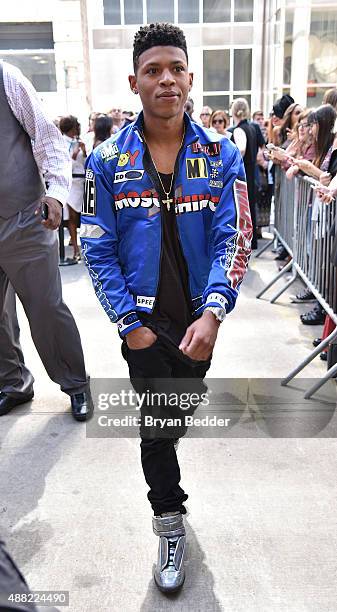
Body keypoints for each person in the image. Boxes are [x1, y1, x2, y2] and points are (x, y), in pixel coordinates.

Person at [81, 22, 252, 593]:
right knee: (156, 428)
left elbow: (235, 235)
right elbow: (96, 245)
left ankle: (167, 471)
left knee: (178, 412)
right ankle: (169, 522)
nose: (166, 80)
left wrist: (214, 312)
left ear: (190, 78)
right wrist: (129, 324)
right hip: (145, 324)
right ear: (135, 82)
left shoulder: (222, 155)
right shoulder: (107, 161)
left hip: (200, 322)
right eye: (153, 71)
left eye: (175, 68)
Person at [0, 60, 93, 421]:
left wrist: (56, 192)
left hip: (24, 215)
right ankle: (13, 384)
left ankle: (76, 384)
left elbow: (47, 137)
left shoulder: (7, 77)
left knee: (46, 308)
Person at [228, 97, 265, 249]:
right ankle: (251, 241)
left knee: (242, 209)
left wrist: (232, 160)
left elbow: (241, 149)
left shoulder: (238, 129)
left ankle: (245, 242)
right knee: (249, 208)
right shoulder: (252, 128)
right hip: (251, 172)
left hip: (243, 174)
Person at [59, 115, 86, 262]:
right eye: (76, 125)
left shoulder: (79, 141)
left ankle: (83, 247)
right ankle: (76, 248)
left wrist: (84, 151)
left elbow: (86, 161)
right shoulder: (61, 142)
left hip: (81, 181)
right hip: (70, 182)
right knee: (71, 216)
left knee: (83, 215)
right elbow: (63, 161)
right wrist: (74, 154)